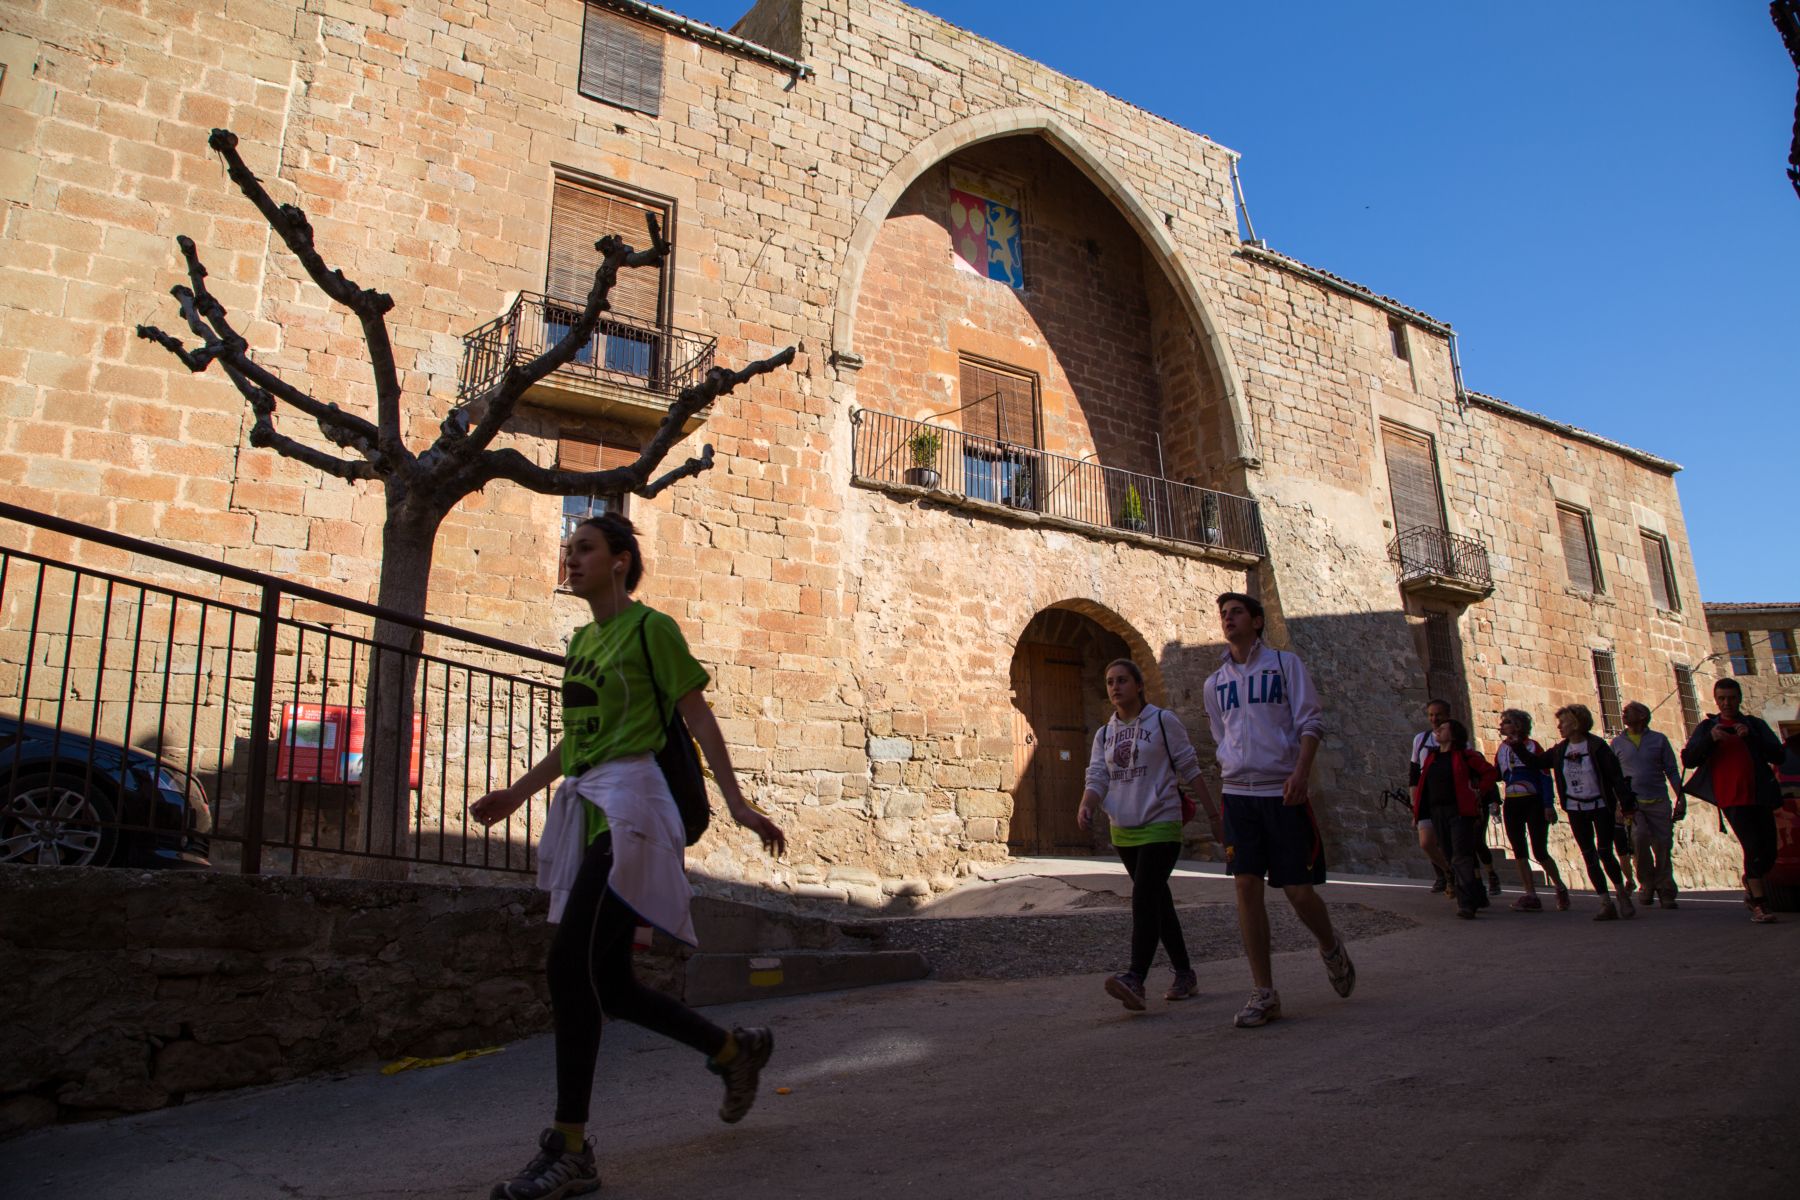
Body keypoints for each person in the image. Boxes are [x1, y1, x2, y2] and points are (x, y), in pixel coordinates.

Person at [470, 513, 787, 1200]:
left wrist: (735, 802)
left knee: (567, 965)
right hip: (591, 811)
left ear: (620, 560)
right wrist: (518, 793)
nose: (570, 558)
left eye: (583, 549)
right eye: (567, 549)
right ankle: (735, 1052)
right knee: (608, 982)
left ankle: (570, 1147)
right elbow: (578, 740)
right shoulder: (583, 640)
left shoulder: (652, 630)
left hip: (638, 810)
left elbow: (697, 717)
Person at [1203, 592, 1355, 1028]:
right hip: (1239, 795)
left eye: (1235, 613)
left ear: (1256, 620)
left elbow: (1311, 722)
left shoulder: (1286, 667)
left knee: (1297, 890)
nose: (1227, 620)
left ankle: (1329, 944)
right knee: (1245, 886)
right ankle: (1264, 992)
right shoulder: (1215, 683)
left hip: (1283, 794)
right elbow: (1221, 733)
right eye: (1223, 615)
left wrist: (1301, 772)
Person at [1078, 659, 1217, 1010]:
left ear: (1139, 685)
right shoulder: (1104, 733)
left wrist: (1215, 813)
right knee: (1158, 901)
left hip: (1161, 823)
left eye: (1122, 680)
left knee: (1144, 896)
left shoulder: (1162, 721)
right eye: (1110, 682)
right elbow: (1097, 775)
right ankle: (1185, 973)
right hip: (1124, 830)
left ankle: (1136, 978)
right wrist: (1087, 804)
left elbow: (1188, 765)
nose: (1115, 687)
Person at [1680, 678, 1785, 924]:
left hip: (1759, 795)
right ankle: (1760, 905)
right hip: (1731, 797)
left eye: (1731, 698)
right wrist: (1711, 740)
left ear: (1739, 699)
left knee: (1768, 851)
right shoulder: (1708, 728)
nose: (1727, 703)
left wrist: (1750, 738)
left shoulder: (1754, 725)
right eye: (1722, 699)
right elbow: (1689, 760)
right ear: (1716, 700)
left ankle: (1751, 882)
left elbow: (1778, 754)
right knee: (1752, 847)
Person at [1527, 704, 1637, 921]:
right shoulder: (1561, 750)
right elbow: (1536, 762)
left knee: (1605, 852)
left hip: (1600, 806)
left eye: (1564, 722)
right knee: (1589, 855)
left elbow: (1615, 776)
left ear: (1576, 724)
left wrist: (1626, 805)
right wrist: (1518, 742)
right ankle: (1605, 902)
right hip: (1577, 808)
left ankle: (1621, 893)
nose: (1559, 726)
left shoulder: (1597, 747)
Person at [1410, 717, 1500, 919]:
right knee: (1451, 856)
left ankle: (1466, 903)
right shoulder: (1432, 758)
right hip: (1437, 812)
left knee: (1461, 856)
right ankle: (1477, 894)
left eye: (1443, 728)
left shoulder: (1465, 756)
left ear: (1454, 734)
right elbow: (1423, 784)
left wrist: (1478, 792)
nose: (1438, 730)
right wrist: (1418, 811)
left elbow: (1489, 773)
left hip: (1459, 811)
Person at [1610, 701, 1686, 909]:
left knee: (1662, 845)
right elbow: (1614, 777)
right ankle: (1647, 883)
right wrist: (1617, 804)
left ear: (1642, 716)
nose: (1624, 714)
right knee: (1639, 838)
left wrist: (1681, 798)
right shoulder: (1617, 743)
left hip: (1659, 800)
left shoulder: (1659, 740)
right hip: (1633, 804)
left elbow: (1671, 770)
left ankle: (1666, 888)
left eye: (1629, 711)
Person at [1494, 708, 1570, 911]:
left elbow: (1544, 776)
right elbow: (1498, 774)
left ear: (1518, 726)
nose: (1502, 725)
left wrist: (1547, 804)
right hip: (1512, 802)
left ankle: (1560, 886)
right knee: (1519, 849)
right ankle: (1530, 894)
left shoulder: (1533, 747)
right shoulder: (1502, 748)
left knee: (1539, 849)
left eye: (1507, 722)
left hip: (1533, 801)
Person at [1407, 700, 1455, 896]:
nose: (1434, 719)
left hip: (1449, 796)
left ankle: (1452, 879)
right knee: (1426, 842)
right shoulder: (1421, 739)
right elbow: (1414, 774)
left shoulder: (1458, 739)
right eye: (1431, 715)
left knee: (1447, 841)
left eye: (1439, 715)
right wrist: (1414, 803)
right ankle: (1448, 871)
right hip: (1426, 796)